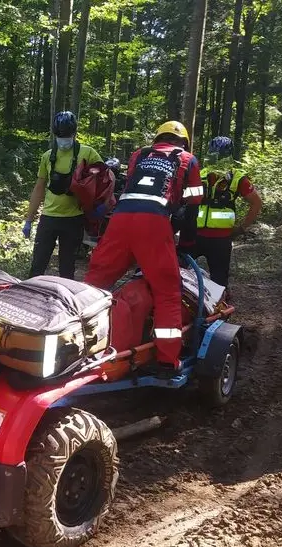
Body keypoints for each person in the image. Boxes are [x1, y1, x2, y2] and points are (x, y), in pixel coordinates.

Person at [84, 120, 203, 375]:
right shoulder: (188, 160)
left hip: (120, 220)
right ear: (183, 142)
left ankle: (75, 344)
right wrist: (187, 242)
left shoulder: (139, 155)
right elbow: (193, 202)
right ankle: (166, 360)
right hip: (154, 223)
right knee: (167, 290)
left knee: (93, 285)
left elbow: (130, 189)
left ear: (158, 138)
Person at [23, 111, 102, 279]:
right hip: (49, 217)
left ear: (74, 133)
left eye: (66, 135)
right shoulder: (47, 156)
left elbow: (103, 180)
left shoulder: (88, 153)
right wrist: (29, 220)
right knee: (38, 265)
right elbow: (39, 188)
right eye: (60, 135)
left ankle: (66, 302)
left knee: (67, 268)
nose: (63, 139)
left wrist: (97, 206)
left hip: (74, 218)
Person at [179, 136, 262, 287]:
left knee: (219, 280)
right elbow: (185, 200)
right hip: (194, 234)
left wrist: (243, 227)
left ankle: (219, 306)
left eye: (221, 154)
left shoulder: (237, 178)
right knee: (179, 271)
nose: (217, 157)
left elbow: (256, 203)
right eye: (214, 153)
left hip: (221, 238)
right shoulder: (200, 173)